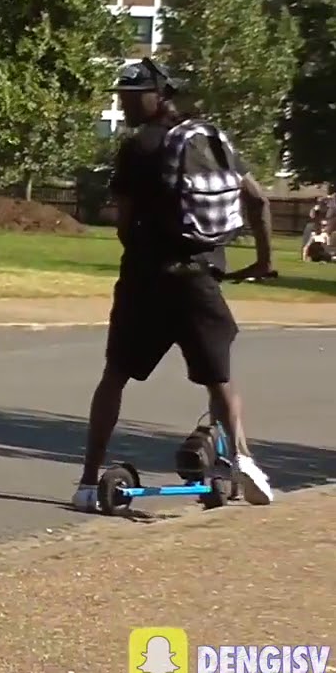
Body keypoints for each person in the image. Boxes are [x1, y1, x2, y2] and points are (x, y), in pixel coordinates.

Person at [72, 59, 275, 512]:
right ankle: (242, 460)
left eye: (131, 96)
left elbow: (123, 223)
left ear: (159, 95)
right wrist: (264, 260)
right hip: (200, 276)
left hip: (145, 279)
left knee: (115, 376)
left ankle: (86, 483)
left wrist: (143, 253)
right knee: (219, 380)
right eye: (121, 96)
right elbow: (258, 199)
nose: (124, 103)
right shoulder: (210, 137)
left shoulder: (137, 147)